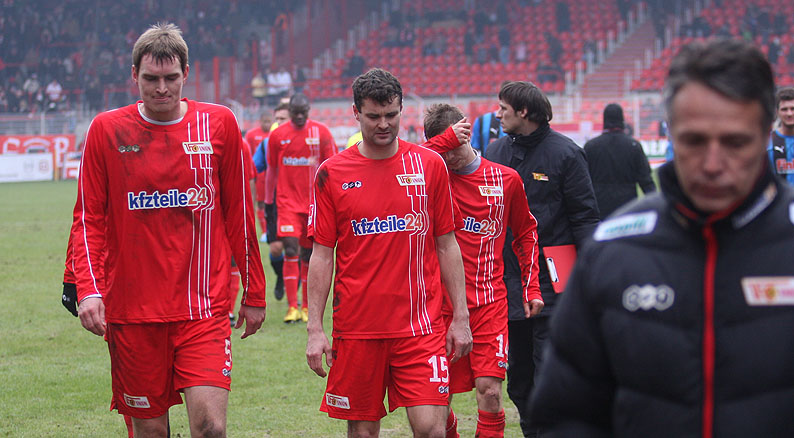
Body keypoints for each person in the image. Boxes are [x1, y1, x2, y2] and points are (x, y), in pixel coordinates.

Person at [530, 38, 794, 437]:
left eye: (735, 142)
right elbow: (568, 413)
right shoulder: (614, 251)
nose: (712, 164)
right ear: (670, 133)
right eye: (694, 141)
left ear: (766, 134)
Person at [71, 23, 267, 438]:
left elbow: (239, 216)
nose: (161, 88)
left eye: (171, 78)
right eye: (151, 78)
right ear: (134, 75)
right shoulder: (106, 130)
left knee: (211, 428)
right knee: (151, 432)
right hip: (132, 313)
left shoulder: (219, 124)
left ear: (186, 74)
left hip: (203, 309)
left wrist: (254, 291)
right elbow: (88, 218)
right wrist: (88, 289)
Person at [305, 68, 473, 438]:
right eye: (374, 116)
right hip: (357, 330)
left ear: (401, 110)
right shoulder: (332, 173)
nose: (384, 124)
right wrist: (315, 328)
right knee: (363, 432)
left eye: (391, 115)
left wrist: (460, 316)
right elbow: (322, 255)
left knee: (431, 429)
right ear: (356, 113)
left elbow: (447, 244)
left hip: (420, 327)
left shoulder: (429, 166)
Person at [484, 81, 600, 437]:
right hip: (509, 280)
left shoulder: (567, 154)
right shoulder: (495, 151)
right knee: (519, 375)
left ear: (523, 112)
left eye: (504, 108)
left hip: (555, 277)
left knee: (550, 367)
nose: (497, 114)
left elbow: (585, 217)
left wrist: (592, 275)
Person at [423, 103, 543, 438]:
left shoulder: (505, 179)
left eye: (453, 147)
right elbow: (404, 162)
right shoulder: (431, 178)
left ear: (466, 136)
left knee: (490, 392)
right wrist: (442, 144)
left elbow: (526, 233)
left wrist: (531, 287)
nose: (447, 158)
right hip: (439, 307)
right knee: (436, 403)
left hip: (489, 304)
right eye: (442, 149)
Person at [265, 93, 336, 323]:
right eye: (295, 113)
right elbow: (272, 170)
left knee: (307, 254)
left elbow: (332, 167)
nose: (298, 117)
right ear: (290, 111)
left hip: (313, 204)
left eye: (302, 113)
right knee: (290, 249)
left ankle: (306, 306)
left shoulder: (321, 133)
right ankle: (291, 307)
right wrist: (268, 202)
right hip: (287, 203)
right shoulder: (278, 135)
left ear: (308, 111)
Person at [584, 103, 656, 219]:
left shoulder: (591, 146)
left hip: (599, 209)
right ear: (622, 120)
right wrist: (657, 207)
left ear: (604, 120)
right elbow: (646, 181)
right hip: (627, 208)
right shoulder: (633, 146)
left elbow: (582, 181)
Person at [253, 102, 290, 301]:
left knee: (295, 249)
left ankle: (294, 299)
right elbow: (253, 167)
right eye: (277, 119)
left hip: (300, 201)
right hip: (274, 201)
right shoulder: (267, 143)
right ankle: (281, 278)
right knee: (276, 248)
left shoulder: (307, 140)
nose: (279, 122)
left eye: (283, 119)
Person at [246, 110, 273, 241]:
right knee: (260, 202)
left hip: (270, 175)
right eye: (265, 121)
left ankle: (271, 230)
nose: (267, 124)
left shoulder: (274, 134)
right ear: (260, 122)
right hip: (257, 173)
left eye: (269, 122)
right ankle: (264, 232)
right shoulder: (251, 135)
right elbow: (248, 153)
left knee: (270, 202)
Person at [768, 86, 794, 185]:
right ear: (777, 112)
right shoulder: (767, 143)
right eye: (784, 109)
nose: (789, 113)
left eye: (793, 109)